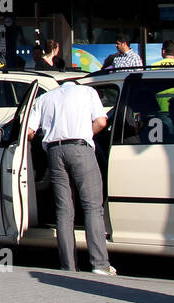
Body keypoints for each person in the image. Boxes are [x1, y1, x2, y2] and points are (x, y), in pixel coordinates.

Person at [27, 81, 116, 275]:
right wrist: (86, 134)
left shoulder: (44, 98)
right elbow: (101, 121)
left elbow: (29, 132)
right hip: (80, 148)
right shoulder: (88, 92)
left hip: (54, 152)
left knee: (64, 211)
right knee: (92, 207)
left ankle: (68, 267)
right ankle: (99, 264)